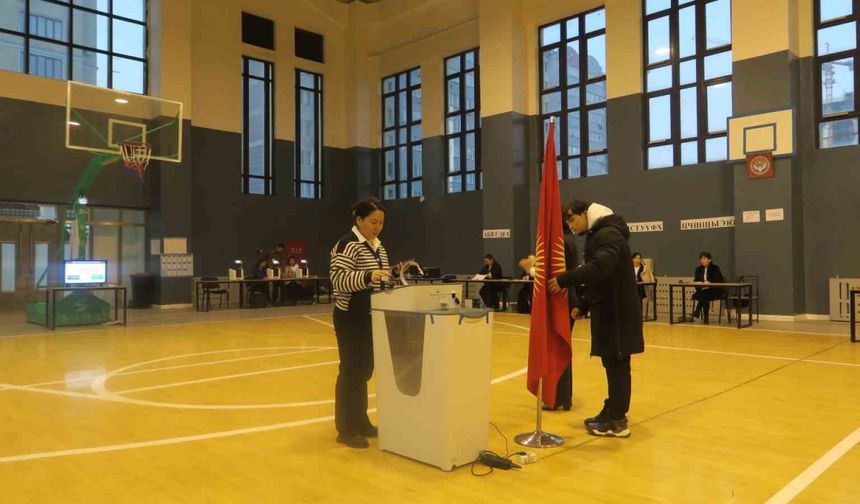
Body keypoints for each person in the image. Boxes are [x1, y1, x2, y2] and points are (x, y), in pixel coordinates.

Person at [548, 200, 644, 437]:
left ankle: (618, 420)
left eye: (572, 219)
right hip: (610, 311)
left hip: (617, 313)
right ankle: (612, 410)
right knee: (612, 363)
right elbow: (601, 279)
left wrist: (563, 279)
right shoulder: (601, 233)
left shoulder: (608, 234)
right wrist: (583, 304)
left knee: (617, 364)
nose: (571, 226)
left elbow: (600, 268)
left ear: (585, 213)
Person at [329, 197, 393, 449]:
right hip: (350, 318)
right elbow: (338, 280)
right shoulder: (348, 244)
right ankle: (346, 429)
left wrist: (390, 277)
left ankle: (361, 421)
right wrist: (369, 276)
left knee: (364, 372)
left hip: (371, 317)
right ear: (359, 220)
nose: (378, 227)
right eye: (373, 222)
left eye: (381, 223)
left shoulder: (379, 247)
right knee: (351, 372)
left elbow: (380, 280)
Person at [692, 251, 724, 324]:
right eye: (701, 259)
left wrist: (709, 282)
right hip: (702, 291)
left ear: (709, 260)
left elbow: (718, 280)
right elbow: (696, 280)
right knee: (704, 294)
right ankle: (704, 318)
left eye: (704, 259)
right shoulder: (698, 269)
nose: (702, 260)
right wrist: (699, 285)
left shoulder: (715, 268)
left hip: (714, 290)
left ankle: (697, 311)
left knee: (705, 294)